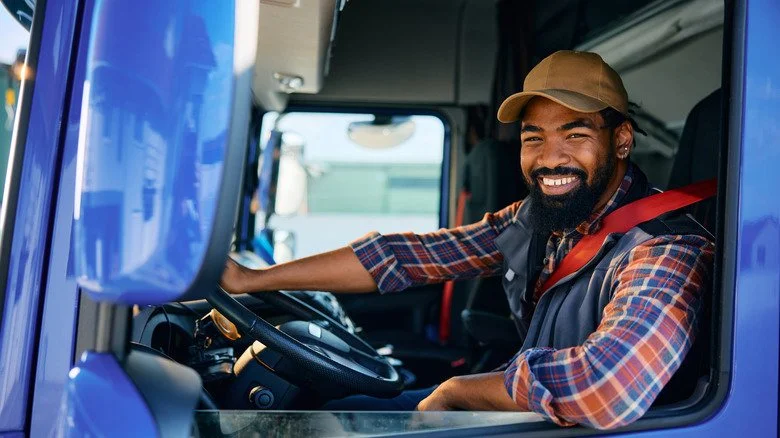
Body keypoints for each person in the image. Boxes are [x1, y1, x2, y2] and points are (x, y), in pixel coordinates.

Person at [220, 50, 714, 430]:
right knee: (327, 416)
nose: (549, 158)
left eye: (575, 133)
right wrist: (252, 279)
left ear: (621, 140)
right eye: (532, 137)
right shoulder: (537, 218)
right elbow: (404, 258)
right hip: (532, 419)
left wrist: (459, 390)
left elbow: (607, 387)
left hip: (579, 429)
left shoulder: (665, 248)